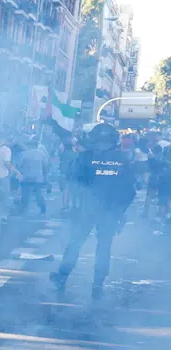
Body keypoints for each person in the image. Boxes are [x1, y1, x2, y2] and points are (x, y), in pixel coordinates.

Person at [51, 123, 136, 300]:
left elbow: (73, 182)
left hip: (86, 209)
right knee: (104, 248)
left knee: (75, 243)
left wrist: (76, 204)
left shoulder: (84, 157)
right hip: (110, 212)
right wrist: (120, 212)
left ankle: (62, 277)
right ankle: (97, 286)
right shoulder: (123, 159)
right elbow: (130, 190)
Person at [15, 138, 51, 215]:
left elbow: (19, 165)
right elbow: (45, 165)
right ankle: (42, 207)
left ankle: (23, 208)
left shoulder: (23, 154)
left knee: (25, 194)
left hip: (25, 177)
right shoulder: (41, 153)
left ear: (28, 146)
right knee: (38, 194)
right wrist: (45, 175)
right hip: (38, 177)